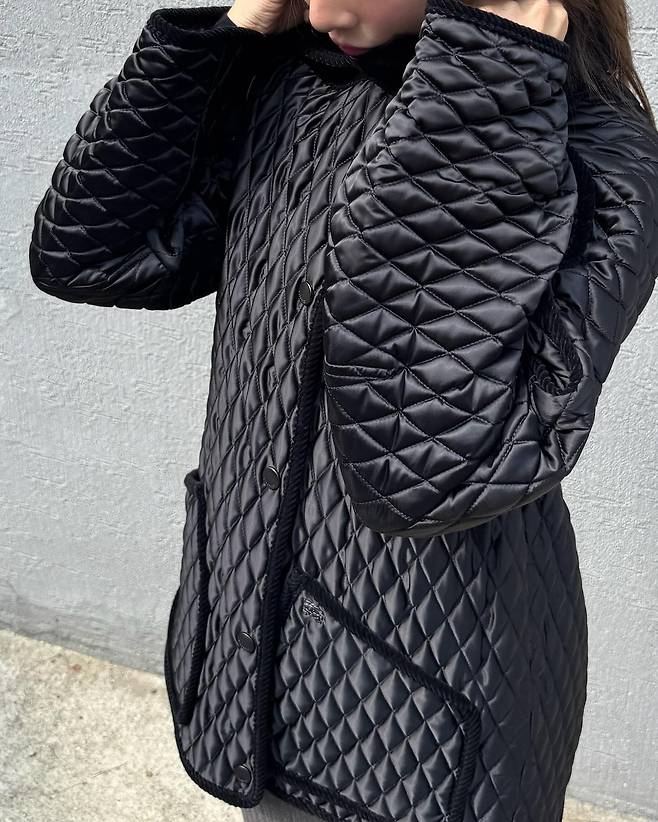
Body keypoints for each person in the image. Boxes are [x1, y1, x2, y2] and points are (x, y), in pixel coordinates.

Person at [29, 1, 658, 821]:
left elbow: (428, 468)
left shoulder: (596, 156)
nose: (322, 8)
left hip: (429, 715)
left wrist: (485, 84)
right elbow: (90, 252)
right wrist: (212, 47)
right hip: (253, 656)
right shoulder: (304, 87)